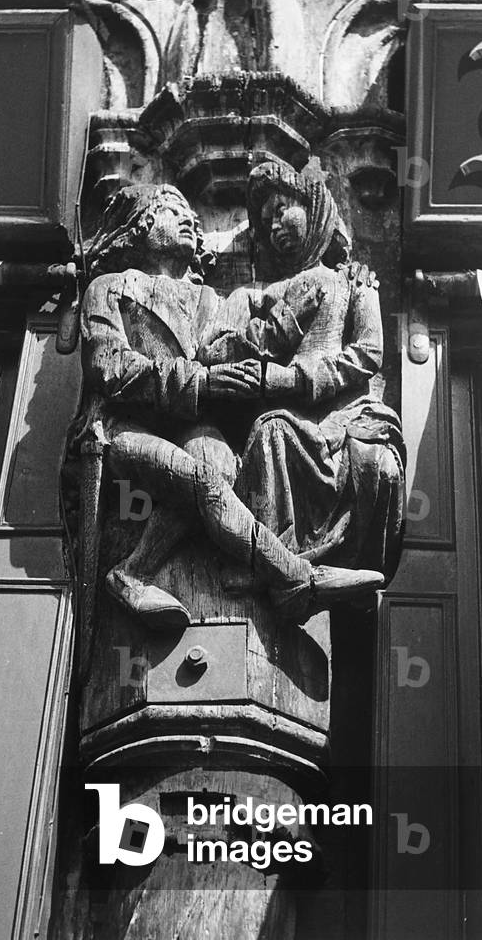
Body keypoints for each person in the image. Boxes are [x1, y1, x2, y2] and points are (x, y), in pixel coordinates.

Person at [68, 182, 384, 630]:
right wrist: (204, 381)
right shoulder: (112, 288)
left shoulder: (212, 301)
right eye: (169, 209)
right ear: (139, 227)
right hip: (124, 425)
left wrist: (338, 282)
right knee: (201, 478)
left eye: (189, 214)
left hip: (190, 423)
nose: (187, 220)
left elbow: (262, 319)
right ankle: (296, 578)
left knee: (217, 467)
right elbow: (111, 367)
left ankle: (132, 572)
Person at [197, 160, 404, 591]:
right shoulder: (255, 296)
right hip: (288, 420)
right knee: (271, 431)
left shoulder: (354, 284)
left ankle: (323, 565)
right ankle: (279, 560)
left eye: (282, 209)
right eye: (266, 221)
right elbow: (213, 350)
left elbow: (369, 352)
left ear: (314, 207)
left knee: (374, 463)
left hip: (345, 416)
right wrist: (278, 326)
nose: (275, 226)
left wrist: (292, 379)